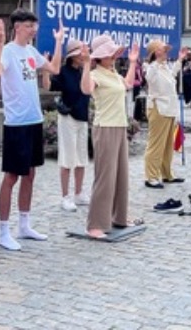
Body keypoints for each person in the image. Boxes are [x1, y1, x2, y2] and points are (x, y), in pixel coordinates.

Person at [0, 9, 63, 251]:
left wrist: (60, 41)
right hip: (16, 123)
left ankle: (24, 224)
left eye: (35, 25)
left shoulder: (31, 51)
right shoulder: (9, 51)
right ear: (18, 26)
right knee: (11, 176)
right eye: (29, 25)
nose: (33, 29)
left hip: (34, 120)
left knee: (30, 174)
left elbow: (54, 69)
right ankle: (2, 230)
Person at [80, 35, 141, 239]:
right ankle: (96, 224)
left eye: (114, 53)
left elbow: (128, 85)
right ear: (100, 56)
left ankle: (119, 217)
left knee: (121, 175)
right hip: (104, 128)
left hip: (119, 126)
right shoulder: (96, 74)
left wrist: (132, 63)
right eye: (110, 53)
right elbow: (86, 88)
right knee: (105, 177)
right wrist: (87, 64)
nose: (114, 56)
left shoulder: (113, 73)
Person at [44, 38, 91, 211]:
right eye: (79, 53)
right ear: (72, 55)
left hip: (82, 116)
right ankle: (65, 196)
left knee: (81, 157)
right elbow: (49, 86)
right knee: (67, 158)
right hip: (68, 117)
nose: (83, 55)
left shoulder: (84, 70)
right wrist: (45, 71)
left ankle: (79, 193)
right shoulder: (64, 72)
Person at [143, 40, 187, 189]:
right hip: (158, 109)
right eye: (164, 50)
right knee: (156, 144)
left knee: (168, 144)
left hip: (169, 109)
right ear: (157, 52)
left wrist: (180, 60)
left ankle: (167, 173)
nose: (167, 53)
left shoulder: (164, 67)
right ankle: (151, 177)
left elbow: (173, 75)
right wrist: (157, 58)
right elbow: (150, 78)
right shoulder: (152, 68)